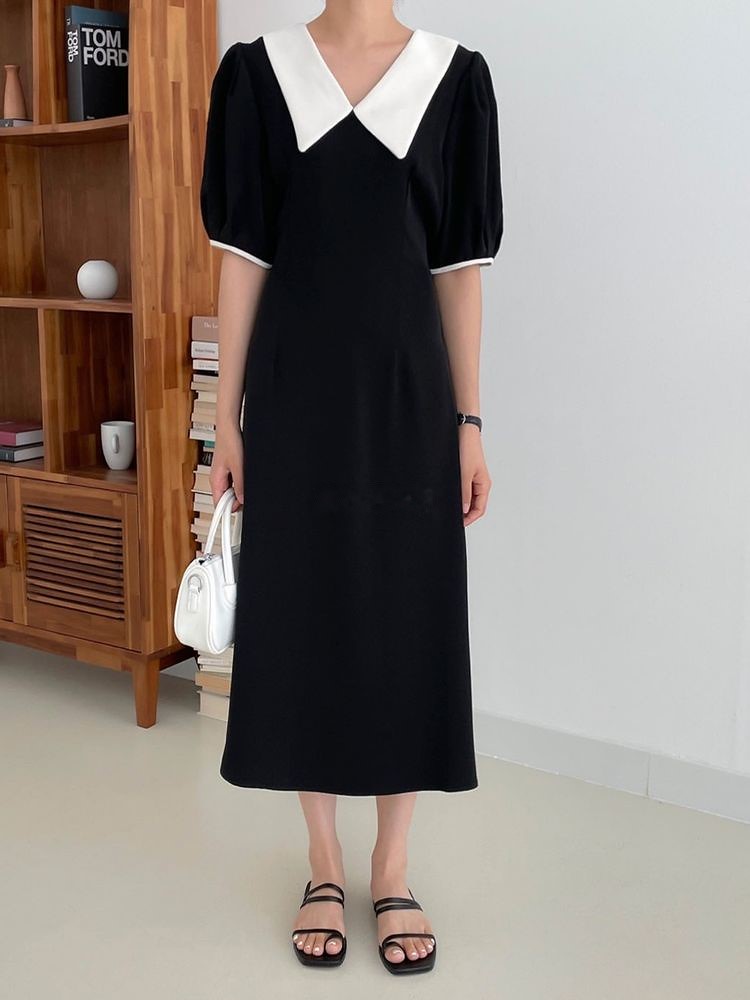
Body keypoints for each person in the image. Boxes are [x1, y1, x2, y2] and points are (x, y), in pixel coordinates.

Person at [199, 0, 503, 975]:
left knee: (406, 613)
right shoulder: (258, 74)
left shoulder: (456, 79)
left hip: (411, 403)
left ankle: (392, 865)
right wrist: (225, 420)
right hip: (294, 401)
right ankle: (324, 862)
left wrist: (469, 422)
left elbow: (458, 271)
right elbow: (242, 259)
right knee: (303, 613)